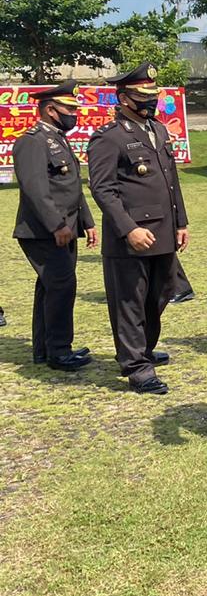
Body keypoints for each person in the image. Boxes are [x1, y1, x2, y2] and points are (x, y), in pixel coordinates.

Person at [88, 62, 189, 395]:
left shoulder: (157, 130)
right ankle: (136, 367)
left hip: (162, 232)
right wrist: (128, 228)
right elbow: (103, 189)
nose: (150, 101)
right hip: (131, 237)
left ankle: (142, 350)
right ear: (123, 98)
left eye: (153, 95)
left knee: (158, 296)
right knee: (130, 301)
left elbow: (171, 182)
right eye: (142, 95)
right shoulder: (109, 137)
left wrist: (180, 222)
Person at [12, 80, 96, 371]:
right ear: (50, 110)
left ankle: (45, 348)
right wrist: (57, 225)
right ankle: (59, 351)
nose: (75, 114)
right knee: (62, 286)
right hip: (44, 231)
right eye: (69, 109)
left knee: (50, 286)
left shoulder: (57, 138)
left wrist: (87, 222)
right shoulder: (32, 141)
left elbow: (71, 186)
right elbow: (36, 190)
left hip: (65, 227)